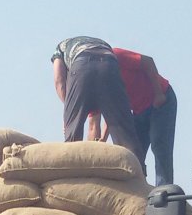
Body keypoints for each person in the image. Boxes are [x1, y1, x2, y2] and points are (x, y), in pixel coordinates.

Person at [89, 48, 177, 185]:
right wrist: (102, 139)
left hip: (160, 102)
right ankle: (139, 188)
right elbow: (111, 111)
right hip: (137, 110)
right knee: (133, 152)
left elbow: (148, 62)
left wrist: (159, 94)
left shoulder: (115, 56)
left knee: (159, 145)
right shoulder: (97, 84)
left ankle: (165, 191)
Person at [51, 36, 142, 160]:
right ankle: (138, 173)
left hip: (81, 62)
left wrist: (69, 111)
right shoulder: (99, 45)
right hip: (110, 65)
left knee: (73, 133)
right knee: (125, 133)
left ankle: (71, 169)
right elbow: (95, 123)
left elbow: (59, 81)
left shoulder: (59, 50)